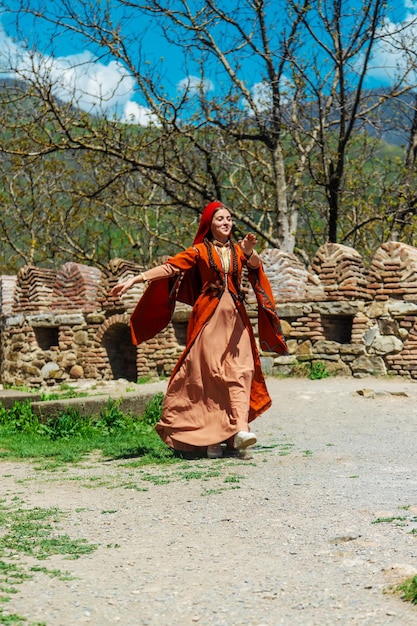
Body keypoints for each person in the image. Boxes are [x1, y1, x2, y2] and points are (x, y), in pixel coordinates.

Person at [110, 201, 287, 458]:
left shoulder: (240, 249)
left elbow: (255, 267)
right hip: (209, 320)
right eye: (220, 220)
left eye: (228, 218)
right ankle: (212, 439)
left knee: (243, 370)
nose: (226, 223)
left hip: (237, 322)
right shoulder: (199, 251)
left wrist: (249, 252)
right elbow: (170, 267)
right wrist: (134, 280)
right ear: (209, 225)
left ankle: (238, 429)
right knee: (212, 376)